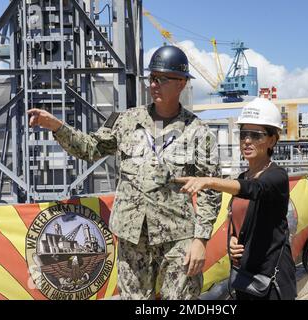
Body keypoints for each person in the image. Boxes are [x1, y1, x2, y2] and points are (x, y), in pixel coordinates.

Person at [27, 45, 221, 300]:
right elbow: (90, 148)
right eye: (152, 78)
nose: (154, 85)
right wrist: (58, 126)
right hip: (132, 238)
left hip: (178, 238)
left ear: (182, 83)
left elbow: (210, 190)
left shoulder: (198, 132)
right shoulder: (126, 121)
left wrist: (201, 240)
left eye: (162, 79)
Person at [175, 97, 296, 300]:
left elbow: (254, 189)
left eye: (256, 135)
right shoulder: (242, 177)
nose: (247, 140)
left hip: (270, 280)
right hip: (244, 277)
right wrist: (233, 238)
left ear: (272, 140)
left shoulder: (277, 176)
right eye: (243, 134)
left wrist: (210, 181)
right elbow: (237, 217)